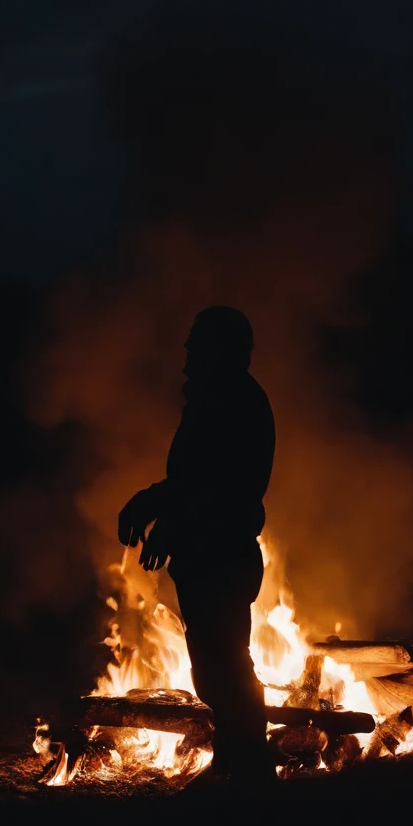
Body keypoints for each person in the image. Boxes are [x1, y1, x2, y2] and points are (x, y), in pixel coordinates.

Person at [118, 306, 276, 782]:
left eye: (197, 343)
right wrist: (160, 512)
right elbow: (195, 481)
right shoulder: (218, 399)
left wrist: (163, 513)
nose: (186, 353)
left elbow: (218, 486)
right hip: (209, 552)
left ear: (220, 350)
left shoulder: (232, 402)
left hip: (220, 555)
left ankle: (246, 772)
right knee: (216, 667)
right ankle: (237, 765)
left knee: (226, 667)